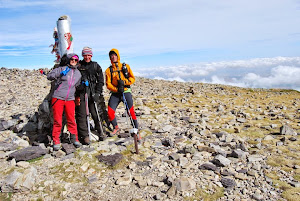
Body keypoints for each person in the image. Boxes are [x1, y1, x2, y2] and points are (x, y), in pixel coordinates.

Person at [47, 53, 82, 151]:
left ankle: (74, 138)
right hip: (58, 97)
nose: (73, 61)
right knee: (58, 120)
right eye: (72, 59)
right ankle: (56, 140)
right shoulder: (61, 69)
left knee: (71, 119)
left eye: (75, 60)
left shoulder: (78, 73)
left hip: (70, 99)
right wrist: (59, 74)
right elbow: (49, 76)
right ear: (68, 60)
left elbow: (77, 85)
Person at [105, 48, 140, 140]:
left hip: (125, 91)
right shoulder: (108, 70)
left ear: (118, 56)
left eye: (115, 55)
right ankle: (116, 127)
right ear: (110, 58)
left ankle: (136, 130)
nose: (113, 57)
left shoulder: (126, 67)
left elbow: (132, 78)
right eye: (111, 56)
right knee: (110, 112)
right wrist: (116, 89)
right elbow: (108, 84)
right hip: (115, 93)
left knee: (130, 111)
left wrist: (124, 82)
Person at [75, 47, 108, 144]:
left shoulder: (95, 66)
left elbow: (101, 81)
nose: (87, 57)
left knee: (95, 113)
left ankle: (101, 131)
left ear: (91, 55)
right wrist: (80, 88)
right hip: (82, 93)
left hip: (93, 93)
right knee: (82, 115)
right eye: (85, 55)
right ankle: (85, 136)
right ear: (82, 55)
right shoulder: (79, 66)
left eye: (89, 55)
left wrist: (97, 93)